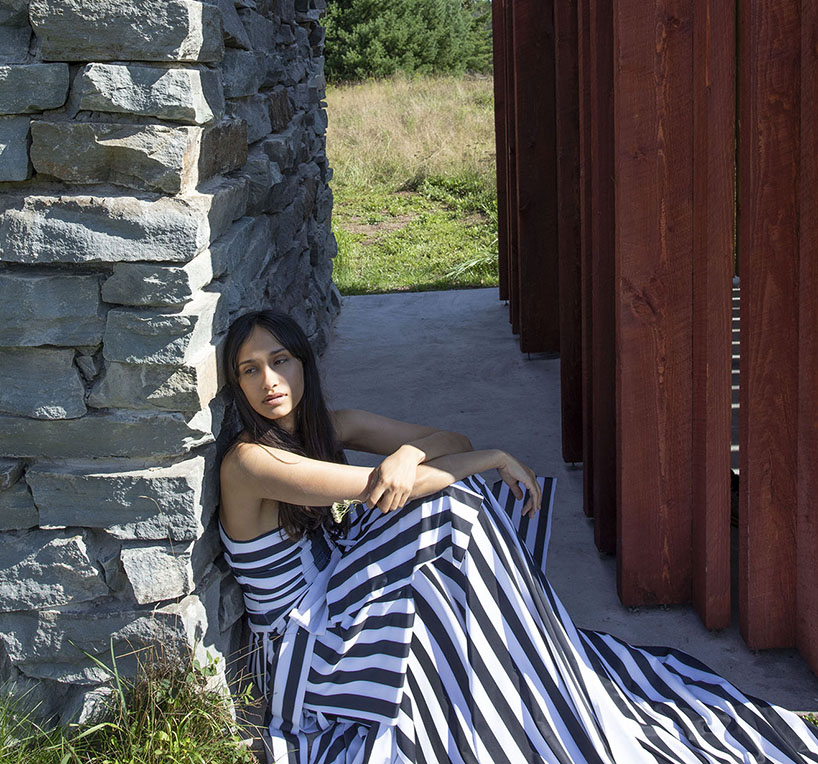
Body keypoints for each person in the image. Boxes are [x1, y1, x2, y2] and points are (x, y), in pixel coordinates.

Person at [219, 308, 818, 764]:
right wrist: (491, 456)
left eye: (280, 360)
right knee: (452, 509)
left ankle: (521, 656)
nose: (269, 380)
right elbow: (388, 485)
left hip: (338, 592)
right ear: (236, 385)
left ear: (304, 362)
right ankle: (521, 665)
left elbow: (448, 441)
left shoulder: (330, 426)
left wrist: (408, 452)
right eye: (250, 370)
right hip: (304, 651)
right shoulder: (249, 462)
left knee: (457, 504)